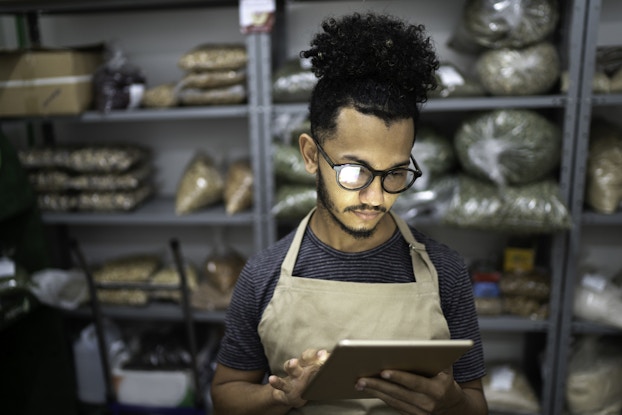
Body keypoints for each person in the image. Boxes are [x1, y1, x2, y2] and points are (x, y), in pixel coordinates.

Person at [211, 11, 487, 415]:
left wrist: (451, 403)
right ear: (310, 155)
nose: (375, 197)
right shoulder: (263, 274)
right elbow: (225, 395)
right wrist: (281, 395)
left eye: (394, 172)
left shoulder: (445, 271)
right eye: (354, 171)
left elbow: (476, 404)